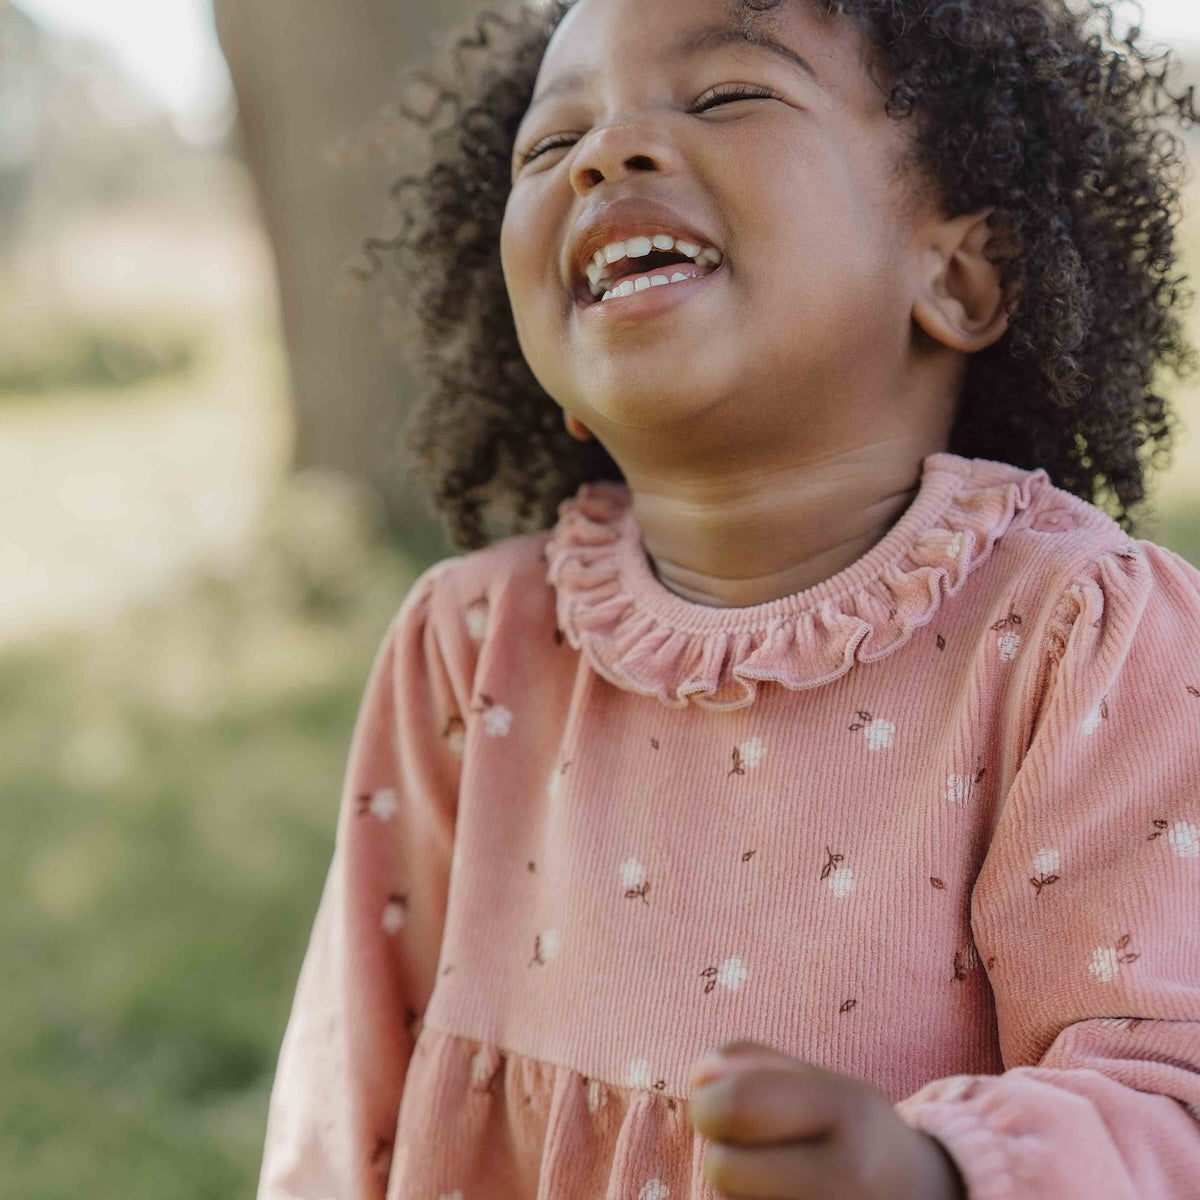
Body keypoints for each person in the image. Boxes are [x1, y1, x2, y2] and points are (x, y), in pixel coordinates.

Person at [256, 0, 1200, 1196]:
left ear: (960, 278)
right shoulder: (470, 646)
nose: (605, 154)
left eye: (725, 97)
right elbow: (349, 1110)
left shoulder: (1082, 635)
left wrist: (937, 1170)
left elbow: (1167, 1088)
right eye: (551, 146)